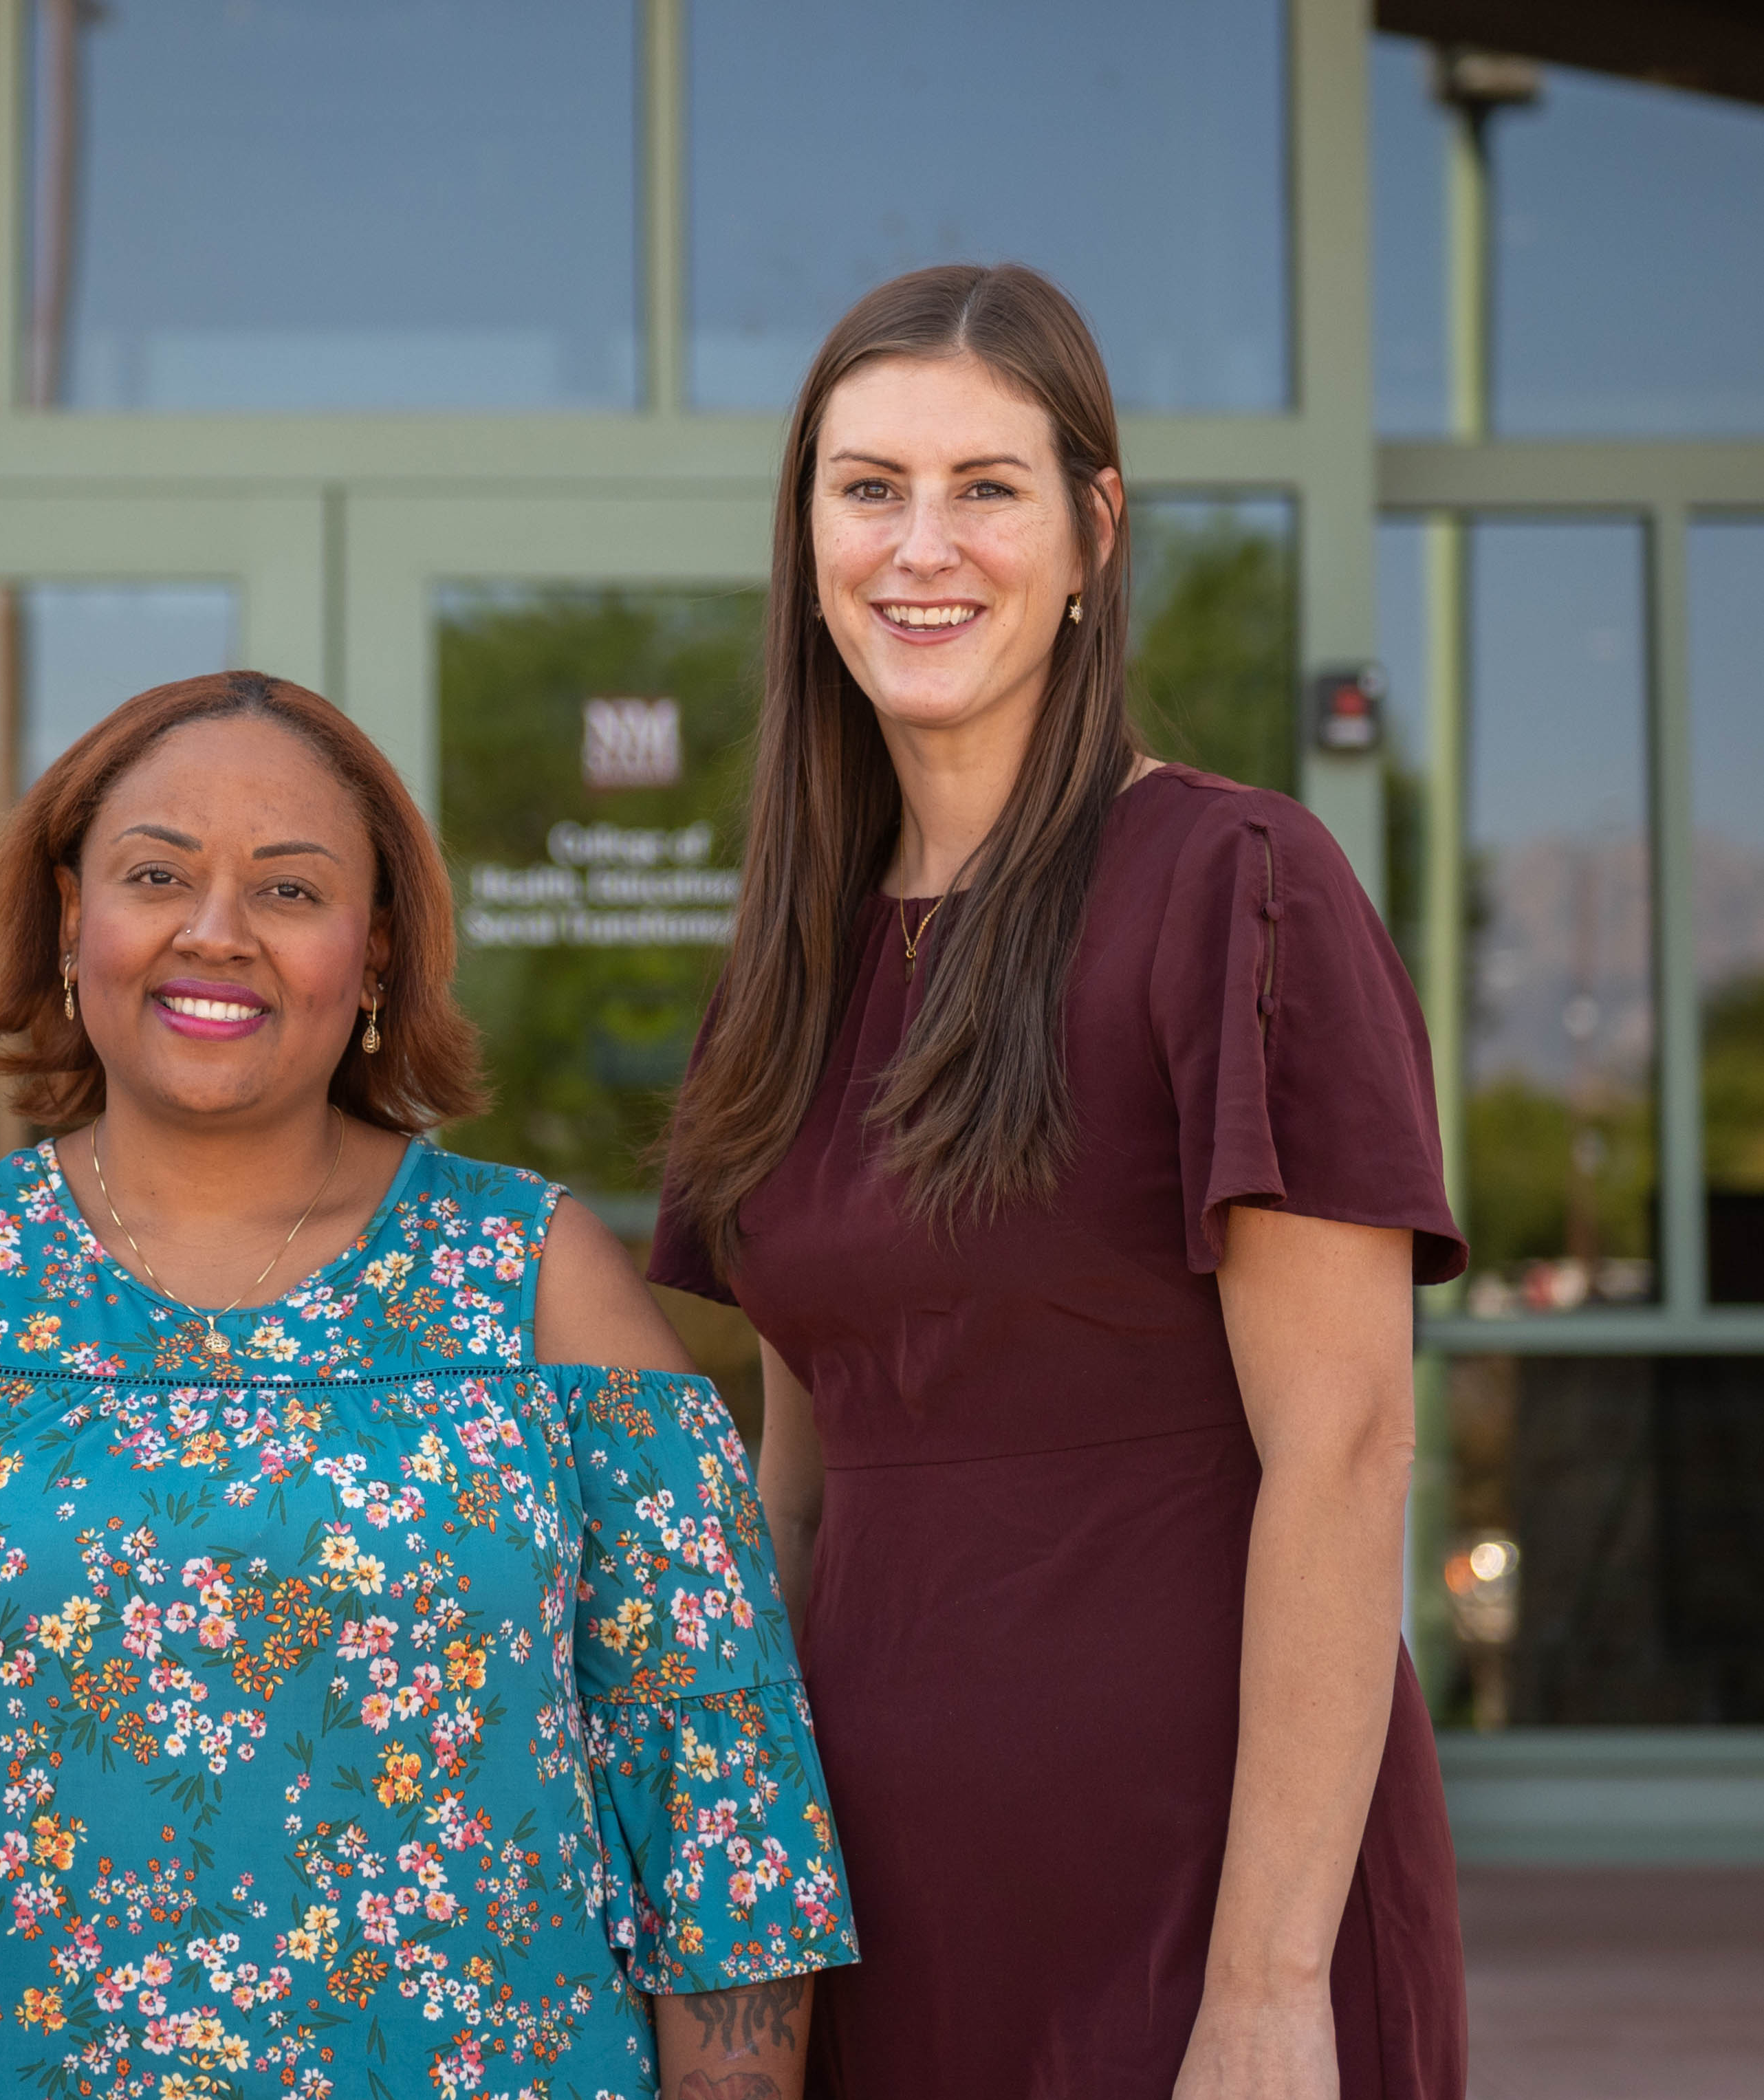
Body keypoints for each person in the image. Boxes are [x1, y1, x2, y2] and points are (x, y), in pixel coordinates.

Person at [0, 670, 856, 2099]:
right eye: (156, 875)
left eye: (287, 889)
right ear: (72, 918)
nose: (214, 932)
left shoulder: (540, 1289)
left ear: (376, 953)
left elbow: (720, 1815)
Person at [649, 263, 1466, 2099]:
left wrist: (1264, 1989)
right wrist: (734, 1928)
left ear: (1092, 526)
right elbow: (805, 1466)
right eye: (868, 487)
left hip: (1184, 1902)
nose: (919, 544)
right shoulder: (794, 955)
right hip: (864, 1898)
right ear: (806, 534)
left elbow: (1343, 1450)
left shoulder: (1234, 883)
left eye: (984, 485)